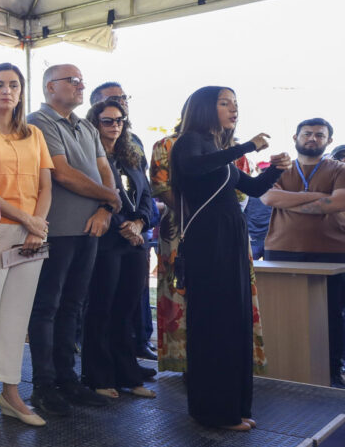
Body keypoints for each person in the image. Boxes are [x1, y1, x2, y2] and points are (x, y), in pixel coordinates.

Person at [171, 86, 287, 429]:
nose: (233, 109)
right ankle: (214, 411)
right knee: (215, 322)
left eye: (236, 103)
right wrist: (248, 146)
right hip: (209, 240)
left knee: (232, 319)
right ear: (205, 108)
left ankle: (232, 407)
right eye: (225, 103)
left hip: (229, 238)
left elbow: (251, 188)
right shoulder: (189, 140)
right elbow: (193, 167)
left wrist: (276, 169)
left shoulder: (217, 149)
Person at [25, 65, 120, 415]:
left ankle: (68, 380)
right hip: (58, 229)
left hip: (89, 229)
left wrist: (107, 205)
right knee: (47, 307)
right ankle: (44, 385)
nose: (82, 86)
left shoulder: (85, 126)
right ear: (50, 87)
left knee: (73, 306)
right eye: (73, 81)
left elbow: (104, 168)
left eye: (82, 80)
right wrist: (110, 198)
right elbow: (62, 174)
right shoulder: (39, 121)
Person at [0, 63, 52, 429]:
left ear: (21, 92)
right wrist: (27, 219)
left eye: (14, 85)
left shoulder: (33, 134)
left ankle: (10, 392)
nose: (7, 90)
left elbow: (46, 185)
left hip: (32, 235)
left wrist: (38, 225)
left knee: (18, 315)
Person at [260, 118, 345, 386]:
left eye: (320, 135)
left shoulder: (339, 169)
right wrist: (319, 197)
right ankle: (281, 369)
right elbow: (268, 197)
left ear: (329, 141)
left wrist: (290, 200)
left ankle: (331, 372)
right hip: (281, 250)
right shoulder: (278, 169)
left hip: (332, 252)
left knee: (331, 317)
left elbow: (339, 202)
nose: (312, 138)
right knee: (280, 313)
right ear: (295, 137)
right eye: (307, 134)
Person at [80, 100, 156, 398]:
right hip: (106, 241)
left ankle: (128, 374)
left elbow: (146, 195)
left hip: (135, 241)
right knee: (101, 308)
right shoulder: (88, 158)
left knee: (126, 310)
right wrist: (125, 226)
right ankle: (99, 377)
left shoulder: (131, 156)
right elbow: (95, 198)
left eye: (119, 121)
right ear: (94, 124)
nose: (115, 126)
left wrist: (139, 223)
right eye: (107, 121)